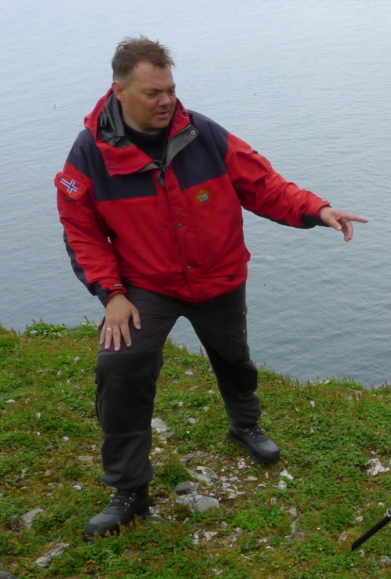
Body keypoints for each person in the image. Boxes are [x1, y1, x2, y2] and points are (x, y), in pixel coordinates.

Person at [55, 36, 367, 539]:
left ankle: (244, 424)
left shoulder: (202, 133)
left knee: (233, 357)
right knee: (121, 368)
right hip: (145, 284)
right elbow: (81, 230)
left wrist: (316, 209)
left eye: (171, 90)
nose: (166, 101)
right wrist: (112, 293)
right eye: (153, 92)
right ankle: (130, 488)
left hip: (218, 274)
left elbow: (262, 184)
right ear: (118, 91)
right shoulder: (90, 153)